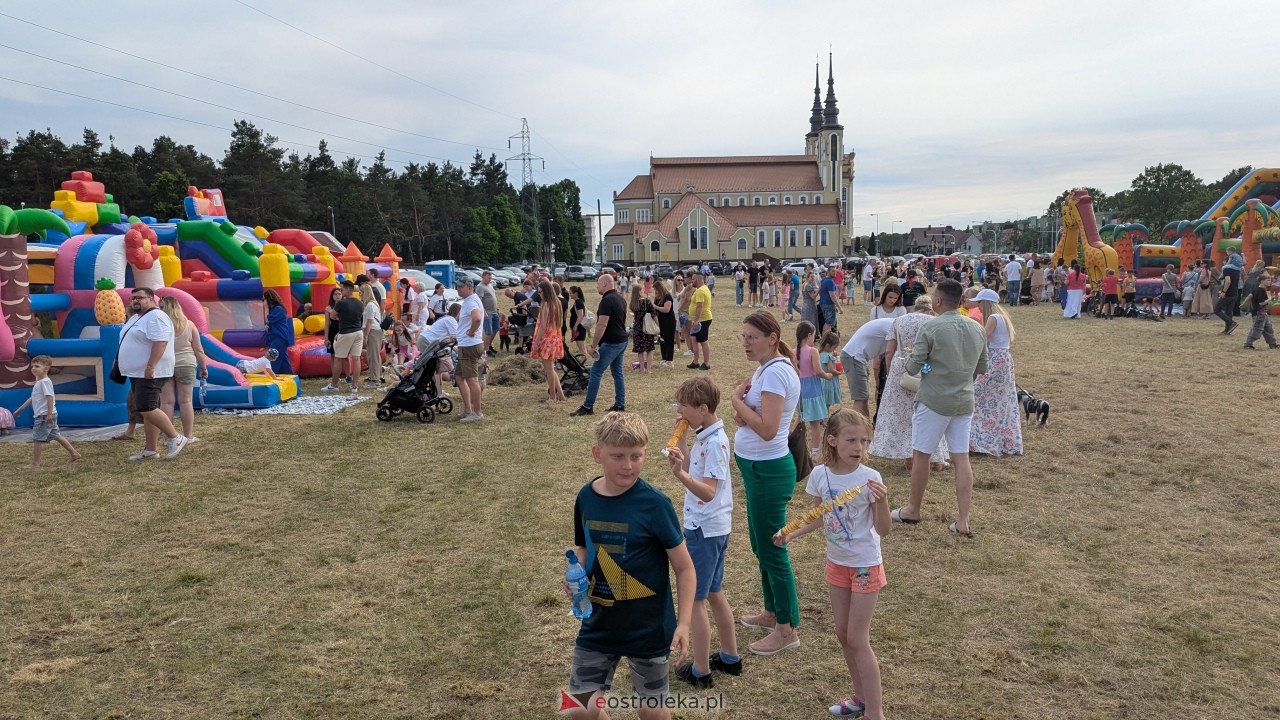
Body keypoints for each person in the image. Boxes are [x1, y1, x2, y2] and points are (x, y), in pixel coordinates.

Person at [563, 412, 694, 719]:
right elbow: (584, 547)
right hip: (598, 625)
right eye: (618, 456)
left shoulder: (655, 504)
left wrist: (685, 624)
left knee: (652, 712)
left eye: (636, 456)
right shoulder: (586, 497)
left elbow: (685, 569)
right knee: (580, 710)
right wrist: (575, 572)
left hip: (648, 631)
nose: (628, 465)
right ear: (598, 454)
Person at [773, 409, 890, 720]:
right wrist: (790, 532)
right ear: (833, 440)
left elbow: (883, 529)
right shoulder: (820, 475)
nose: (858, 448)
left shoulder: (870, 478)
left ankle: (875, 713)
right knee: (842, 633)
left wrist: (882, 502)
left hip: (865, 565)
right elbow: (819, 517)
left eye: (864, 441)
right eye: (852, 440)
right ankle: (860, 697)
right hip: (836, 564)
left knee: (858, 638)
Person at [730, 310, 802, 656]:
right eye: (742, 336)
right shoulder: (765, 370)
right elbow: (750, 417)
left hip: (768, 471)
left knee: (773, 548)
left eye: (751, 337)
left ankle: (787, 628)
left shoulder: (775, 374)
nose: (745, 343)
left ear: (771, 338)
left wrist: (734, 402)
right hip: (757, 468)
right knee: (761, 545)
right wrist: (741, 408)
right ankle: (772, 612)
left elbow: (768, 429)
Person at [894, 279, 988, 537]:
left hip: (933, 400)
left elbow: (912, 367)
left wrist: (919, 361)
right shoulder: (976, 327)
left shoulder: (931, 327)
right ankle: (963, 520)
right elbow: (981, 368)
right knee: (961, 458)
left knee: (921, 454)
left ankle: (913, 509)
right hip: (963, 400)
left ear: (937, 300)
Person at [664, 377, 741, 688]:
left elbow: (708, 492)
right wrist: (680, 451)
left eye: (684, 405)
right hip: (712, 528)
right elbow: (694, 467)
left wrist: (679, 474)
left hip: (704, 530)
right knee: (713, 592)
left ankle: (700, 670)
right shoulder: (703, 436)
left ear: (703, 408)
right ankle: (730, 657)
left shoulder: (715, 443)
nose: (679, 409)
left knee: (694, 600)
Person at [867, 296, 949, 469]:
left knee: (901, 415)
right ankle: (935, 456)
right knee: (927, 412)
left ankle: (907, 456)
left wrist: (891, 373)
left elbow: (889, 351)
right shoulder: (934, 321)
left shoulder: (898, 320)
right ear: (929, 309)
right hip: (925, 367)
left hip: (901, 366)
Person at [119, 287, 186, 461]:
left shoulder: (156, 316)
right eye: (132, 298)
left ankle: (175, 437)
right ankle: (151, 449)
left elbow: (160, 342)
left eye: (139, 298)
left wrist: (150, 366)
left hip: (151, 371)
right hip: (138, 372)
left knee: (146, 407)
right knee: (148, 408)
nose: (135, 301)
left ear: (151, 299)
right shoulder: (138, 317)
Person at [968, 289, 1023, 456]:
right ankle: (1000, 440)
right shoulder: (1003, 317)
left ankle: (981, 440)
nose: (978, 306)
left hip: (995, 359)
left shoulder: (993, 318)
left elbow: (981, 338)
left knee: (979, 396)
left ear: (985, 303)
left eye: (979, 302)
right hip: (1004, 359)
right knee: (1001, 400)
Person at [571, 273, 629, 417]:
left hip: (611, 343)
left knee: (596, 372)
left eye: (598, 283)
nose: (597, 286)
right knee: (618, 373)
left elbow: (602, 324)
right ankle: (620, 404)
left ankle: (588, 406)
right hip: (622, 340)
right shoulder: (621, 299)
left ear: (604, 284)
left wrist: (593, 345)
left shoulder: (607, 301)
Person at [13, 354, 81, 468]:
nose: (33, 368)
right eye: (32, 366)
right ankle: (75, 453)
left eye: (37, 366)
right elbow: (33, 397)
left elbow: (50, 397)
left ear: (46, 368)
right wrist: (20, 409)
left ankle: (35, 463)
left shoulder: (44, 382)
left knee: (37, 438)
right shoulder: (39, 382)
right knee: (56, 435)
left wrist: (48, 414)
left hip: (44, 415)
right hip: (46, 414)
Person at [158, 296, 208, 444]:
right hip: (186, 364)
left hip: (165, 365)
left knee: (166, 402)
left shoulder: (160, 326)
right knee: (186, 401)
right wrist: (203, 367)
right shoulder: (189, 325)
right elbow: (198, 350)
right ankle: (188, 436)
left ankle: (169, 437)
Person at [839, 318, 895, 420]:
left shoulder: (892, 324)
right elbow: (889, 353)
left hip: (858, 357)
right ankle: (855, 430)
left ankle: (866, 429)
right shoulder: (893, 327)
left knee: (863, 397)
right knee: (860, 398)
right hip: (854, 356)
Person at [795, 320, 832, 459]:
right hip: (813, 389)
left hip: (800, 389)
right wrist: (827, 376)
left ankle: (792, 444)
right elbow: (817, 371)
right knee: (815, 423)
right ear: (810, 335)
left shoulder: (794, 351)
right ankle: (815, 452)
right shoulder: (813, 351)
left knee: (800, 418)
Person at [454, 277, 486, 422]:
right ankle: (468, 409)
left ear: (469, 287)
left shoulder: (471, 301)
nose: (458, 289)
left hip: (469, 345)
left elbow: (478, 318)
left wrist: (471, 331)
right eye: (457, 286)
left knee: (472, 380)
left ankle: (477, 413)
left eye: (461, 287)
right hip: (468, 343)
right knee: (459, 376)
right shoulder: (472, 300)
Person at [531, 280, 568, 402]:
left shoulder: (546, 304)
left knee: (549, 369)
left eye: (540, 292)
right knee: (551, 368)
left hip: (546, 339)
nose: (539, 294)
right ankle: (561, 396)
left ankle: (552, 396)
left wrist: (536, 343)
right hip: (554, 337)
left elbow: (543, 326)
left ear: (545, 292)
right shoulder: (557, 302)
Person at [418, 302, 460, 398]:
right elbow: (455, 337)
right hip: (427, 341)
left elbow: (449, 340)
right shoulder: (451, 320)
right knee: (435, 368)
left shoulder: (446, 318)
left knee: (438, 368)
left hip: (426, 340)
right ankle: (438, 392)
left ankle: (439, 390)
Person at [262, 289, 294, 375]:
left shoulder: (278, 309)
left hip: (280, 337)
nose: (263, 302)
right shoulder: (275, 310)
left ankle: (271, 376)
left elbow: (268, 319)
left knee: (273, 357)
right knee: (284, 361)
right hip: (276, 337)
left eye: (264, 299)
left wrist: (266, 307)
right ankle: (290, 376)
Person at [687, 270, 713, 371]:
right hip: (697, 320)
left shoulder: (701, 291)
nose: (691, 281)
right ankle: (695, 361)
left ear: (697, 280)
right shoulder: (700, 289)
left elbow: (699, 306)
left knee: (703, 341)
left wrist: (697, 320)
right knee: (694, 339)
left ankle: (706, 363)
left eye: (693, 279)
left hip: (703, 319)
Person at [1243, 272, 1278, 349]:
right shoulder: (1261, 291)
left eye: (1270, 280)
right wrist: (1269, 299)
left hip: (1263, 313)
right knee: (1257, 330)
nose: (1270, 282)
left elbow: (1250, 295)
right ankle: (1248, 344)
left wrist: (1243, 303)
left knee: (1268, 329)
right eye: (1268, 280)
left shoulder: (1257, 289)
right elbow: (1261, 303)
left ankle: (1273, 344)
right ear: (1262, 281)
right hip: (1259, 313)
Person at [360, 280, 385, 388]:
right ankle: (377, 375)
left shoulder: (370, 305)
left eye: (361, 292)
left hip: (373, 331)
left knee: (373, 356)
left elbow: (369, 322)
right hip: (376, 330)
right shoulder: (374, 304)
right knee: (375, 355)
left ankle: (375, 380)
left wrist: (365, 335)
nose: (360, 294)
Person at [630, 285, 657, 373]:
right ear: (639, 291)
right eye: (641, 290)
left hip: (637, 327)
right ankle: (648, 369)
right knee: (649, 349)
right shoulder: (646, 301)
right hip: (647, 327)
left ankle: (642, 368)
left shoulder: (633, 303)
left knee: (640, 350)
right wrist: (657, 325)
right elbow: (653, 314)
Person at [1217, 252, 1243, 335]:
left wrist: (1223, 292)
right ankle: (1227, 330)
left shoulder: (1227, 269)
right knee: (1228, 311)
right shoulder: (1237, 270)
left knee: (1217, 309)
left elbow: (1228, 281)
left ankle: (1231, 323)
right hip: (1235, 292)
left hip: (1228, 293)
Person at [653, 279, 676, 368]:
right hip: (660, 321)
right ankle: (664, 358)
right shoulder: (658, 297)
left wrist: (656, 307)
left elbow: (667, 309)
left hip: (668, 321)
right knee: (662, 340)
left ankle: (670, 360)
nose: (656, 292)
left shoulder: (667, 296)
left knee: (669, 340)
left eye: (656, 290)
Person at [477, 270, 501, 356]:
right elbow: (479, 301)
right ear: (483, 277)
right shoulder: (480, 287)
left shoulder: (490, 285)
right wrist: (484, 312)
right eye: (488, 277)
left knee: (496, 328)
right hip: (488, 312)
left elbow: (493, 297)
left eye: (490, 278)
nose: (490, 279)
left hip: (494, 312)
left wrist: (497, 308)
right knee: (488, 331)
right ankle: (486, 350)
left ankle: (489, 345)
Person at [819, 331, 844, 410]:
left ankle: (823, 418)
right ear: (828, 345)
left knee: (823, 404)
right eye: (834, 347)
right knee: (826, 405)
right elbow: (831, 370)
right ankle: (825, 420)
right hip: (828, 382)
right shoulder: (827, 356)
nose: (835, 349)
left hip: (822, 380)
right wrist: (839, 372)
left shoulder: (819, 354)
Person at [818, 268, 842, 336]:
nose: (835, 273)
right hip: (829, 304)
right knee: (829, 323)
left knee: (827, 322)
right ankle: (824, 339)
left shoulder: (823, 280)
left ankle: (824, 337)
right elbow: (832, 296)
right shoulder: (830, 281)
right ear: (828, 272)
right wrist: (840, 307)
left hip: (823, 303)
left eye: (835, 271)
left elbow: (820, 291)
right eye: (833, 271)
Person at [568, 285, 589, 358]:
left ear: (575, 293)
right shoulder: (577, 302)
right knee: (582, 347)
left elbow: (580, 315)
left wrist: (575, 326)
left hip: (579, 328)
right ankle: (583, 361)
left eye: (570, 293)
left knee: (582, 348)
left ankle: (584, 363)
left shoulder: (578, 303)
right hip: (579, 328)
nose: (569, 294)